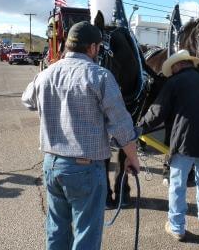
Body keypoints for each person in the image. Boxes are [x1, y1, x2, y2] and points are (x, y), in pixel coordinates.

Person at [21, 21, 140, 250]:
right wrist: (132, 159)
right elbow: (122, 125)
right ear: (93, 48)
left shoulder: (47, 74)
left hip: (51, 164)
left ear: (68, 45)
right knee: (86, 234)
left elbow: (27, 100)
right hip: (85, 167)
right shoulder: (100, 76)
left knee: (56, 228)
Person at [138, 49, 199, 241]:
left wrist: (139, 127)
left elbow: (157, 111)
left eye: (172, 68)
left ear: (177, 65)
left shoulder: (174, 82)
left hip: (185, 139)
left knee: (177, 183)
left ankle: (176, 226)